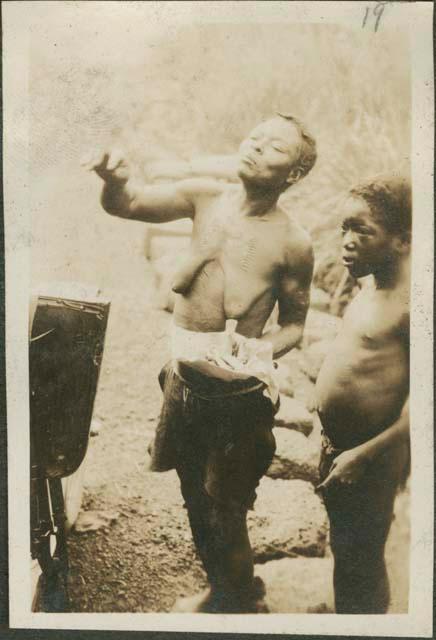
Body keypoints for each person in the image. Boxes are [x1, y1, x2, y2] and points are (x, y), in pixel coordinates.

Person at [87, 113, 317, 613]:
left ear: (294, 174)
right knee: (193, 492)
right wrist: (115, 181)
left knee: (227, 507)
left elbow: (295, 325)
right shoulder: (205, 197)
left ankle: (237, 600)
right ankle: (226, 590)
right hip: (184, 375)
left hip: (237, 394)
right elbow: (127, 205)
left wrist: (255, 352)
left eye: (275, 148)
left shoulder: (293, 241)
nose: (256, 147)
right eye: (254, 136)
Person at [315, 175, 411, 614]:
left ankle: (366, 621)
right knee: (346, 546)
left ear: (403, 240)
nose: (347, 242)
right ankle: (347, 614)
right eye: (344, 229)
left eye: (363, 231)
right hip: (342, 448)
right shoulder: (370, 282)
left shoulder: (412, 304)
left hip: (370, 458)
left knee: (364, 558)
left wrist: (364, 455)